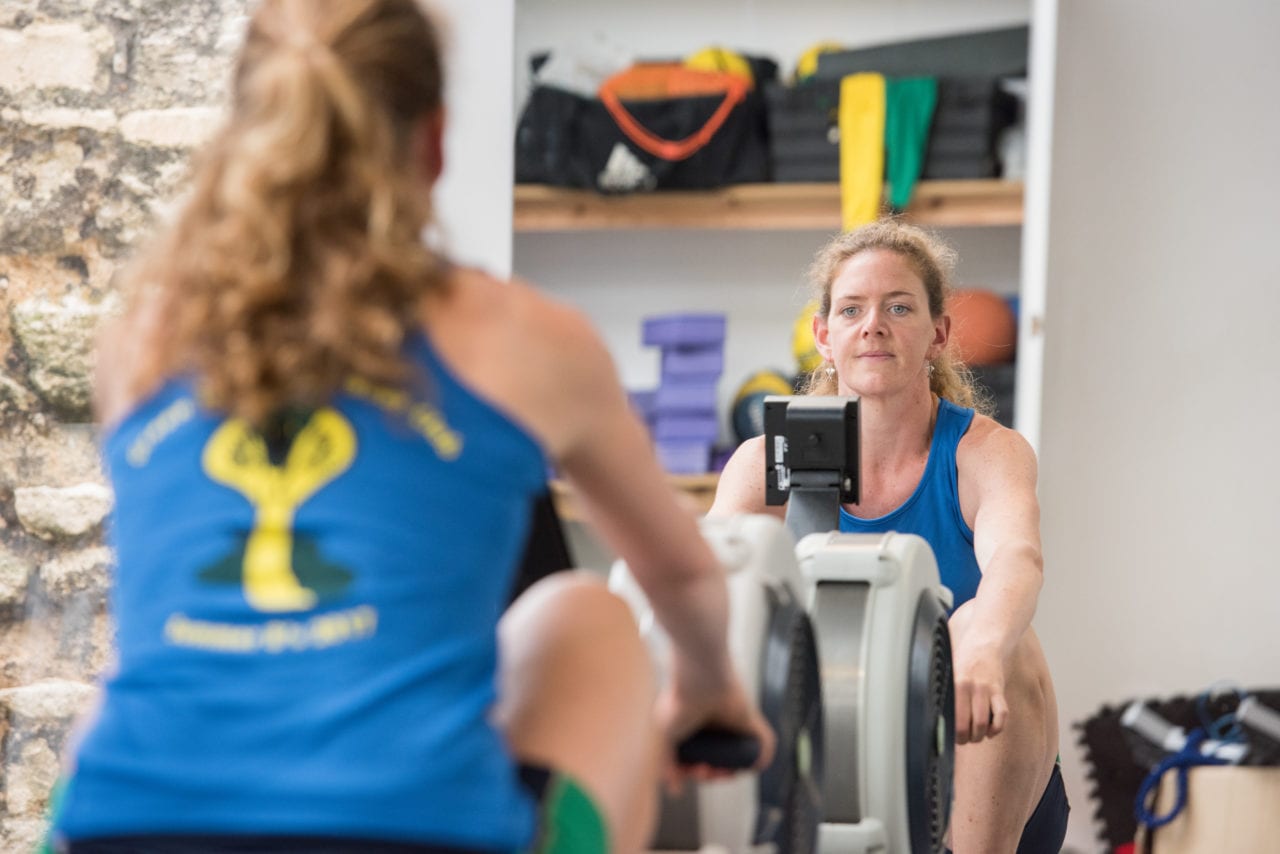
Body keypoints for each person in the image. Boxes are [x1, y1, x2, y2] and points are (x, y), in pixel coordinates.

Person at [46, 1, 773, 852]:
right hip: (409, 831)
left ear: (245, 132)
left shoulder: (142, 332)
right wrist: (708, 696)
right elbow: (680, 577)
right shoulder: (526, 337)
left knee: (122, 688)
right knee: (587, 617)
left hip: (117, 830)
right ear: (433, 143)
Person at [710, 220, 1068, 853]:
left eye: (899, 307)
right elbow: (715, 591)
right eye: (852, 309)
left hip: (972, 764)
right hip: (826, 760)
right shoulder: (763, 463)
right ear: (824, 336)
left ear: (938, 334)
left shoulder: (985, 452)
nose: (873, 324)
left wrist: (983, 644)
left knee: (990, 637)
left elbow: (1016, 557)